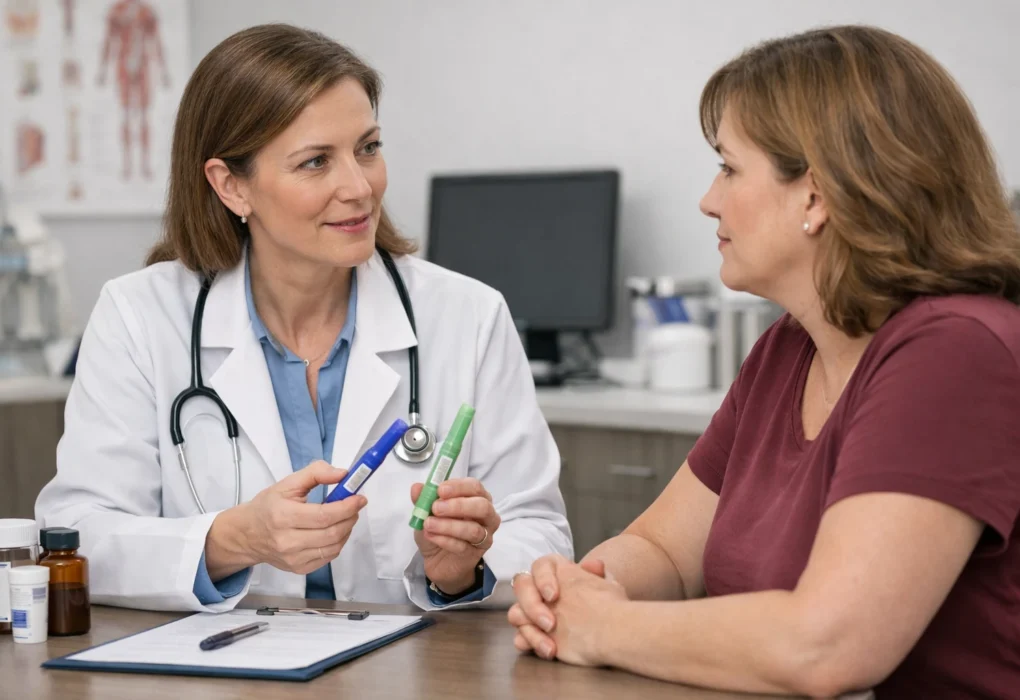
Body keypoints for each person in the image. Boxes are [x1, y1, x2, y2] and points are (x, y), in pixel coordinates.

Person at [508, 25, 1020, 699]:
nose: (708, 200)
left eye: (728, 168)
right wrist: (572, 592)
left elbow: (829, 645)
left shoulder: (957, 351)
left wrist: (603, 628)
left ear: (816, 195)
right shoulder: (788, 347)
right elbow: (665, 552)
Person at [36, 23, 571, 613]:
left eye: (368, 148)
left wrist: (461, 570)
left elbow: (541, 533)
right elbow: (77, 535)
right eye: (316, 161)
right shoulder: (140, 317)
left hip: (411, 662)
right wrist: (234, 539)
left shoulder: (468, 316)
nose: (359, 187)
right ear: (231, 186)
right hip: (221, 660)